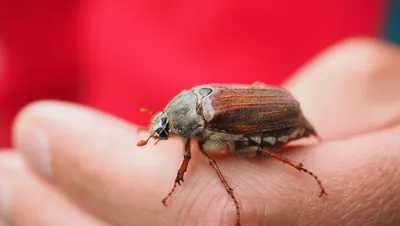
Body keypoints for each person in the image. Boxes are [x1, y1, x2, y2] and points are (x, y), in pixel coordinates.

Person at [0, 1, 399, 225]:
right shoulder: (190, 109)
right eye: (163, 126)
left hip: (287, 120)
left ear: (186, 121)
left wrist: (214, 197)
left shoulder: (203, 129)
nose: (165, 132)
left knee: (254, 152)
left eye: (165, 127)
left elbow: (202, 161)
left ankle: (302, 170)